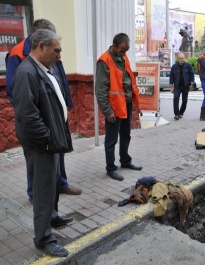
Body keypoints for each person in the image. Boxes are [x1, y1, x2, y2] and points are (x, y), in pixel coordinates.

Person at [5, 19, 82, 202]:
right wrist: (39, 122)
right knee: (37, 162)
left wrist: (64, 106)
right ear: (40, 42)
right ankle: (35, 194)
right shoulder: (18, 55)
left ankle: (60, 184)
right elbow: (15, 93)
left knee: (57, 154)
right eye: (53, 44)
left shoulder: (51, 50)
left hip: (54, 116)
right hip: (38, 120)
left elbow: (59, 80)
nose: (57, 51)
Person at [13, 29, 74, 257]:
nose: (59, 55)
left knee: (53, 184)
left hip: (51, 142)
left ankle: (53, 216)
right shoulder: (27, 72)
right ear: (41, 46)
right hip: (42, 145)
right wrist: (47, 139)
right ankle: (43, 238)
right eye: (56, 50)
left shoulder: (45, 69)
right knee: (43, 190)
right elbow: (27, 115)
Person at [95, 33, 142, 181]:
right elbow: (100, 90)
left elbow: (127, 80)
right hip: (114, 107)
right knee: (111, 139)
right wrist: (107, 111)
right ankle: (111, 168)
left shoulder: (123, 57)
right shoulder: (104, 61)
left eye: (126, 51)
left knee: (126, 134)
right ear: (114, 46)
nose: (124, 54)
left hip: (125, 104)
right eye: (121, 50)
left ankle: (125, 161)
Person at [169, 52, 195, 120]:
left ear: (184, 58)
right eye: (180, 58)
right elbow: (171, 76)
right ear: (178, 58)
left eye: (182, 58)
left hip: (186, 86)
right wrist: (171, 86)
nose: (181, 59)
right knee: (176, 98)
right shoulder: (174, 66)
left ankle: (181, 112)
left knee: (185, 101)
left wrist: (191, 84)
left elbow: (192, 74)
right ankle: (176, 114)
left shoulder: (188, 65)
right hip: (177, 86)